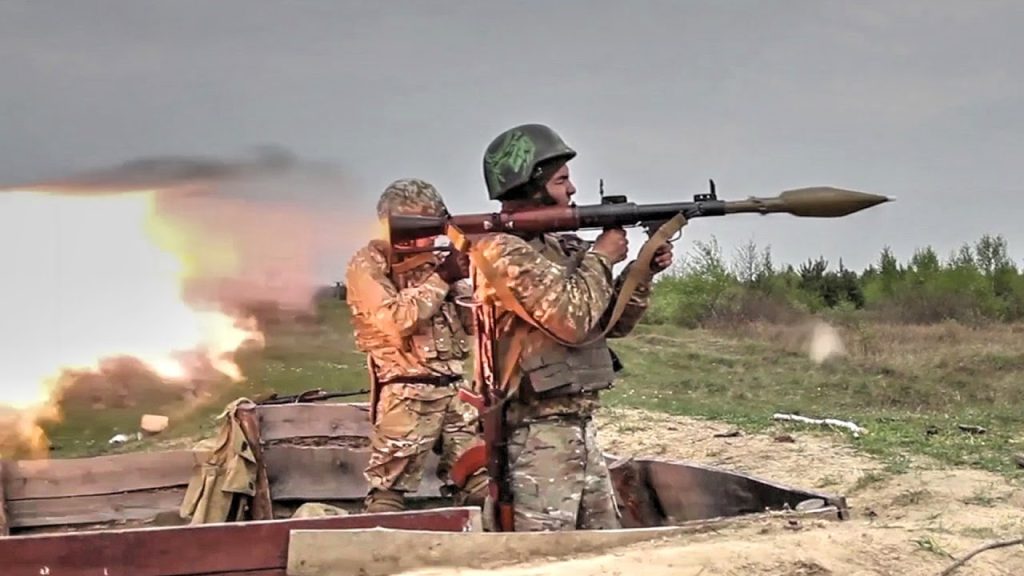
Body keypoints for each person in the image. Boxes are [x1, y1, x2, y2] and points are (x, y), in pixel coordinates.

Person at [466, 124, 674, 531]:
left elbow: (608, 325)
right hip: (536, 437)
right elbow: (571, 320)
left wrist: (641, 272)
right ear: (531, 185)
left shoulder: (557, 247)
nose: (573, 189)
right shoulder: (501, 251)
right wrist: (601, 257)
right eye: (561, 180)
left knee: (603, 547)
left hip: (577, 429)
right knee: (546, 554)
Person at [345, 178, 488, 513]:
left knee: (481, 485)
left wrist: (476, 274)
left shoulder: (433, 261)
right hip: (406, 396)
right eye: (421, 227)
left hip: (454, 394)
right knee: (387, 497)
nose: (430, 237)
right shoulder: (370, 264)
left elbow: (473, 322)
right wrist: (443, 277)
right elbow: (397, 320)